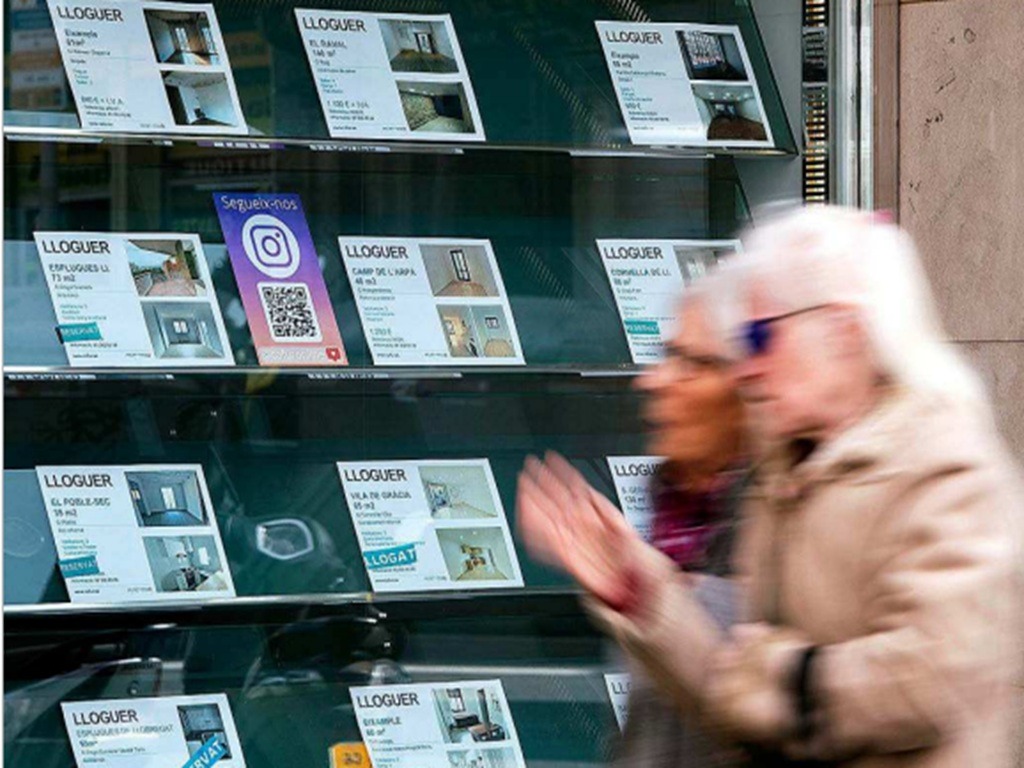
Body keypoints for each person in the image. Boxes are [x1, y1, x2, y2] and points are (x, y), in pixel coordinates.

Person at [518, 206, 1023, 767]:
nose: (747, 369)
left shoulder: (945, 467)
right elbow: (735, 699)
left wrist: (785, 677)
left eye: (761, 337)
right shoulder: (789, 469)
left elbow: (935, 677)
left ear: (844, 330)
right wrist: (640, 593)